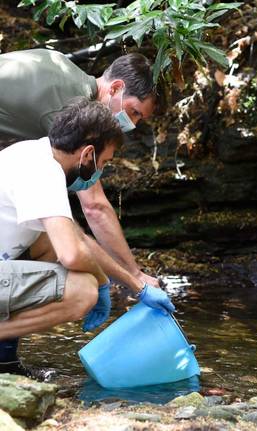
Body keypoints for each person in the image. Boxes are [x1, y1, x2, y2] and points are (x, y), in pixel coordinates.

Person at [0, 99, 175, 375]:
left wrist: (136, 284)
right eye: (103, 162)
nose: (100, 172)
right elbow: (72, 253)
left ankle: (4, 361)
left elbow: (77, 238)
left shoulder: (34, 153)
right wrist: (102, 284)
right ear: (87, 154)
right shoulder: (43, 172)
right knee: (83, 291)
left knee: (44, 242)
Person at [0, 48, 158, 288]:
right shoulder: (68, 109)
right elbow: (94, 206)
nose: (133, 124)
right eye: (134, 112)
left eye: (140, 119)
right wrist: (135, 276)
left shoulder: (66, 71)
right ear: (115, 88)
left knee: (47, 239)